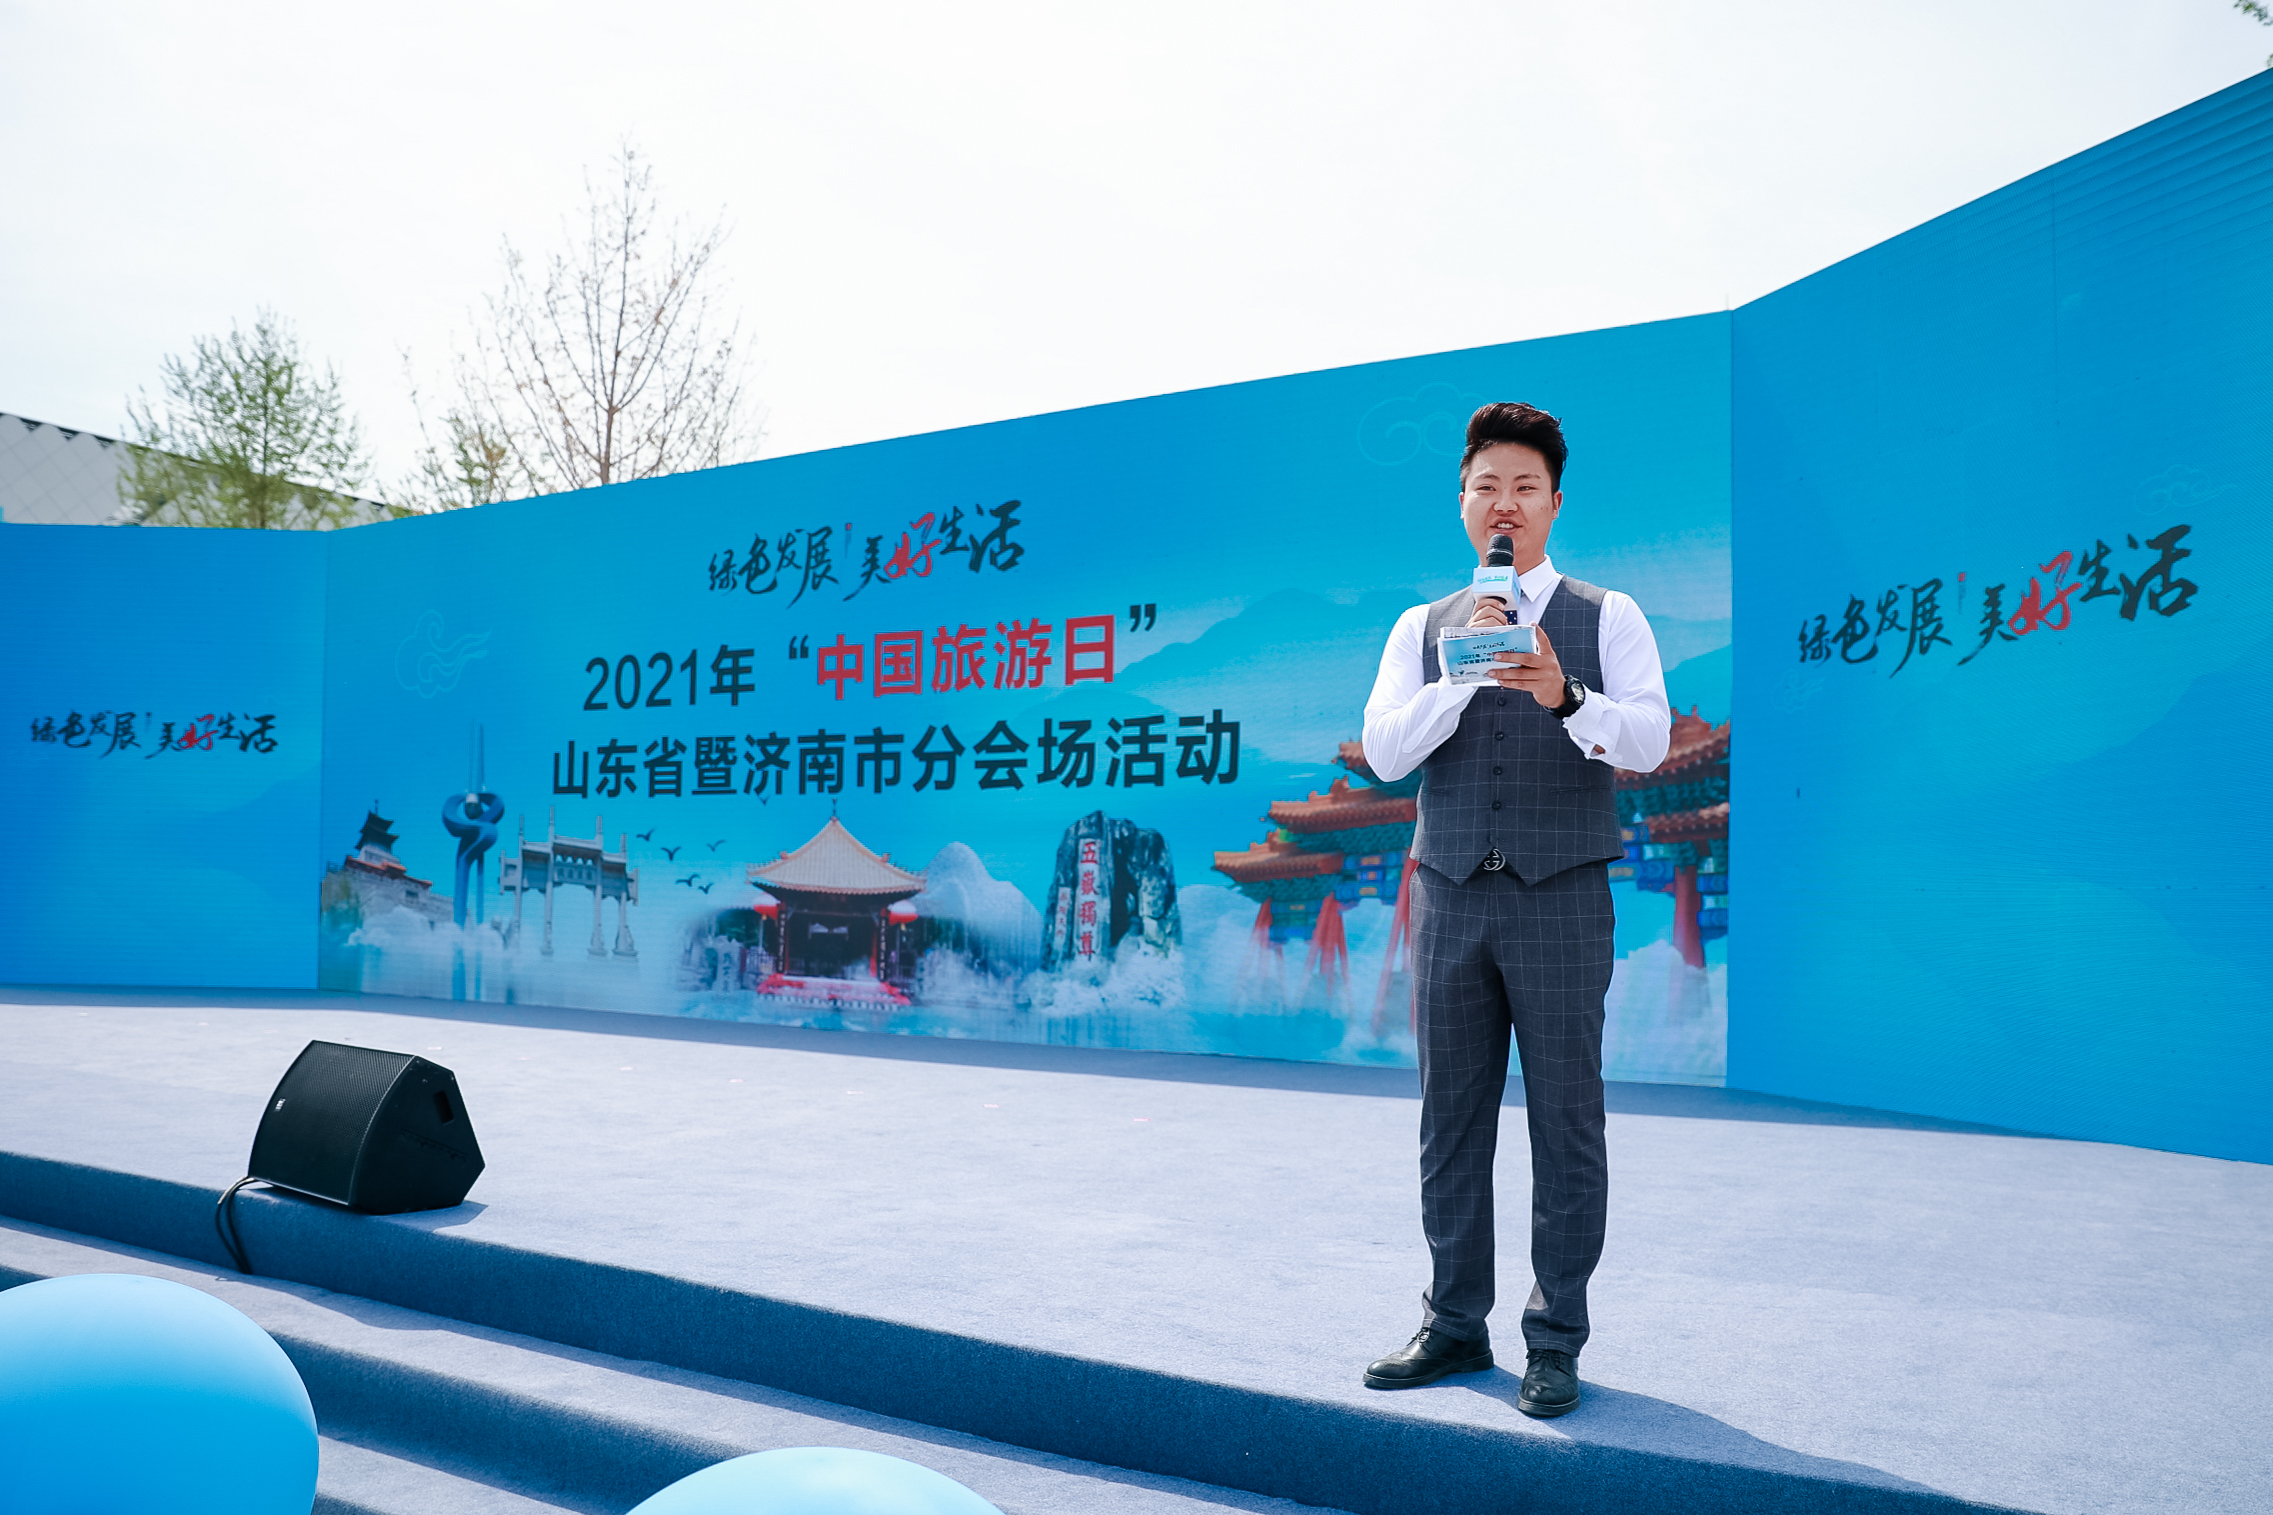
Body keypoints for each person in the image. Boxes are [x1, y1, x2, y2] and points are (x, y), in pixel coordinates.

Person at [1358, 402, 1670, 1417]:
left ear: (1553, 503)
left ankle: (1554, 1336)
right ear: (1461, 502)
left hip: (1560, 894)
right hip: (1447, 893)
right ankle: (1453, 1321)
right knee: (1448, 1119)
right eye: (1486, 486)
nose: (1504, 503)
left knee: (1566, 1119)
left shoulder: (1606, 615)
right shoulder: (1419, 627)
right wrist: (1463, 673)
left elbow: (1650, 741)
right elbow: (1385, 753)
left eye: (1523, 487)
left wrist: (1562, 694)